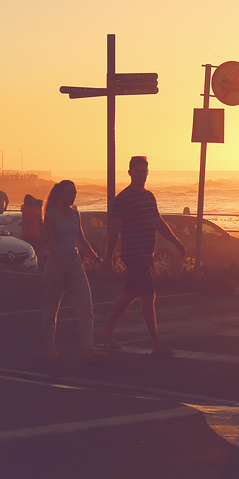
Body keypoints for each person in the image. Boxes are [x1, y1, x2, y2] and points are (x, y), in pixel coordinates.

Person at [101, 156, 185, 355]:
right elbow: (114, 231)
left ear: (148, 172)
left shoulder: (148, 197)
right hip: (133, 254)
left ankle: (107, 330)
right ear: (130, 173)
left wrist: (176, 242)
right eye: (137, 171)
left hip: (147, 253)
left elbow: (159, 223)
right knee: (148, 294)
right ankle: (156, 342)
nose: (141, 174)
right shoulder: (123, 199)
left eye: (143, 170)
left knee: (130, 293)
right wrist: (108, 257)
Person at [40, 180, 103, 363]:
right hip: (56, 262)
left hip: (74, 261)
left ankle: (89, 348)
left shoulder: (76, 214)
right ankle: (50, 348)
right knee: (52, 308)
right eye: (69, 193)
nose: (73, 196)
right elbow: (50, 242)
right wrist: (60, 267)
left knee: (85, 307)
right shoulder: (52, 214)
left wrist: (96, 260)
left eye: (74, 192)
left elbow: (81, 240)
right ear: (60, 195)